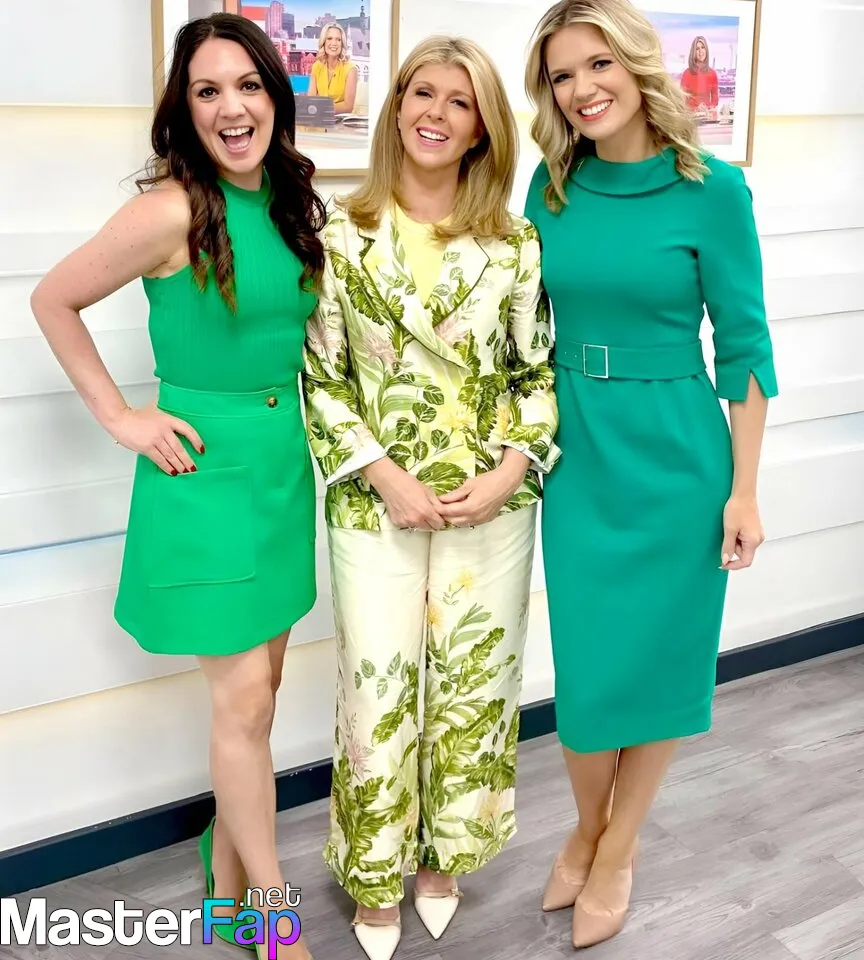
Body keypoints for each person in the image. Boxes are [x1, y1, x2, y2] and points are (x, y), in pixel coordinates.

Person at [29, 13, 324, 960]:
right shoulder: (169, 210)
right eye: (207, 91)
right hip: (200, 478)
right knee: (244, 706)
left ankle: (225, 869)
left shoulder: (287, 198)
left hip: (280, 473)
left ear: (275, 96)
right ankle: (273, 917)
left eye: (248, 85)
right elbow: (52, 298)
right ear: (185, 110)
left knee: (262, 694)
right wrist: (122, 416)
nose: (232, 108)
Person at [523, 0, 777, 949]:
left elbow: (745, 348)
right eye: (561, 75)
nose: (581, 89)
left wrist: (744, 489)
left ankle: (617, 847)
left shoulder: (714, 190)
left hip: (679, 457)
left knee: (665, 663)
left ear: (636, 65)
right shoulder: (550, 188)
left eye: (598, 65)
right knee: (590, 674)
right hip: (578, 452)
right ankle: (587, 827)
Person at [302, 34, 559, 960]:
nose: (437, 113)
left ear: (483, 126)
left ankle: (445, 857)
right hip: (375, 498)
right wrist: (383, 472)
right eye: (423, 92)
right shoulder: (339, 234)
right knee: (375, 690)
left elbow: (535, 372)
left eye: (460, 100)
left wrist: (512, 469)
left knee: (474, 688)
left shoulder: (514, 244)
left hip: (491, 502)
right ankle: (374, 874)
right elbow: (321, 377)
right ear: (397, 106)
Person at [308, 22, 358, 113]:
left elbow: (348, 106)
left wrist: (320, 108)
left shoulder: (351, 69)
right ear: (324, 42)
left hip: (340, 119)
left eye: (338, 40)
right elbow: (310, 100)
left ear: (342, 44)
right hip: (318, 118)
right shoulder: (317, 66)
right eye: (329, 38)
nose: (334, 43)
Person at [680, 35, 719, 118]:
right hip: (692, 117)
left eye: (703, 47)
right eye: (697, 49)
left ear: (706, 50)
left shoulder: (713, 74)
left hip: (707, 116)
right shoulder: (686, 74)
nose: (701, 51)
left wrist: (708, 108)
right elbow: (682, 101)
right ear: (693, 52)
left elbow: (715, 100)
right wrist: (696, 109)